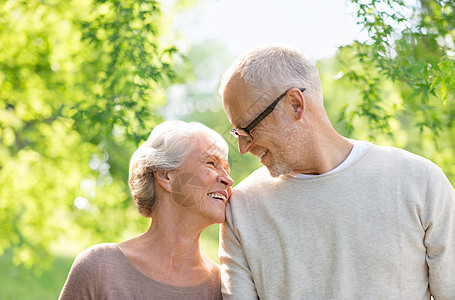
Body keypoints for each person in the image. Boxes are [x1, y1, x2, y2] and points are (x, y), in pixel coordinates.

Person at [218, 44, 455, 299]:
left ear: (295, 104)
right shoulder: (241, 208)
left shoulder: (419, 181)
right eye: (237, 133)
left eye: (248, 128)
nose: (242, 147)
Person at [59, 120, 233, 300]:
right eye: (211, 163)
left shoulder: (225, 287)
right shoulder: (99, 267)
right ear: (166, 176)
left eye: (227, 170)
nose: (228, 180)